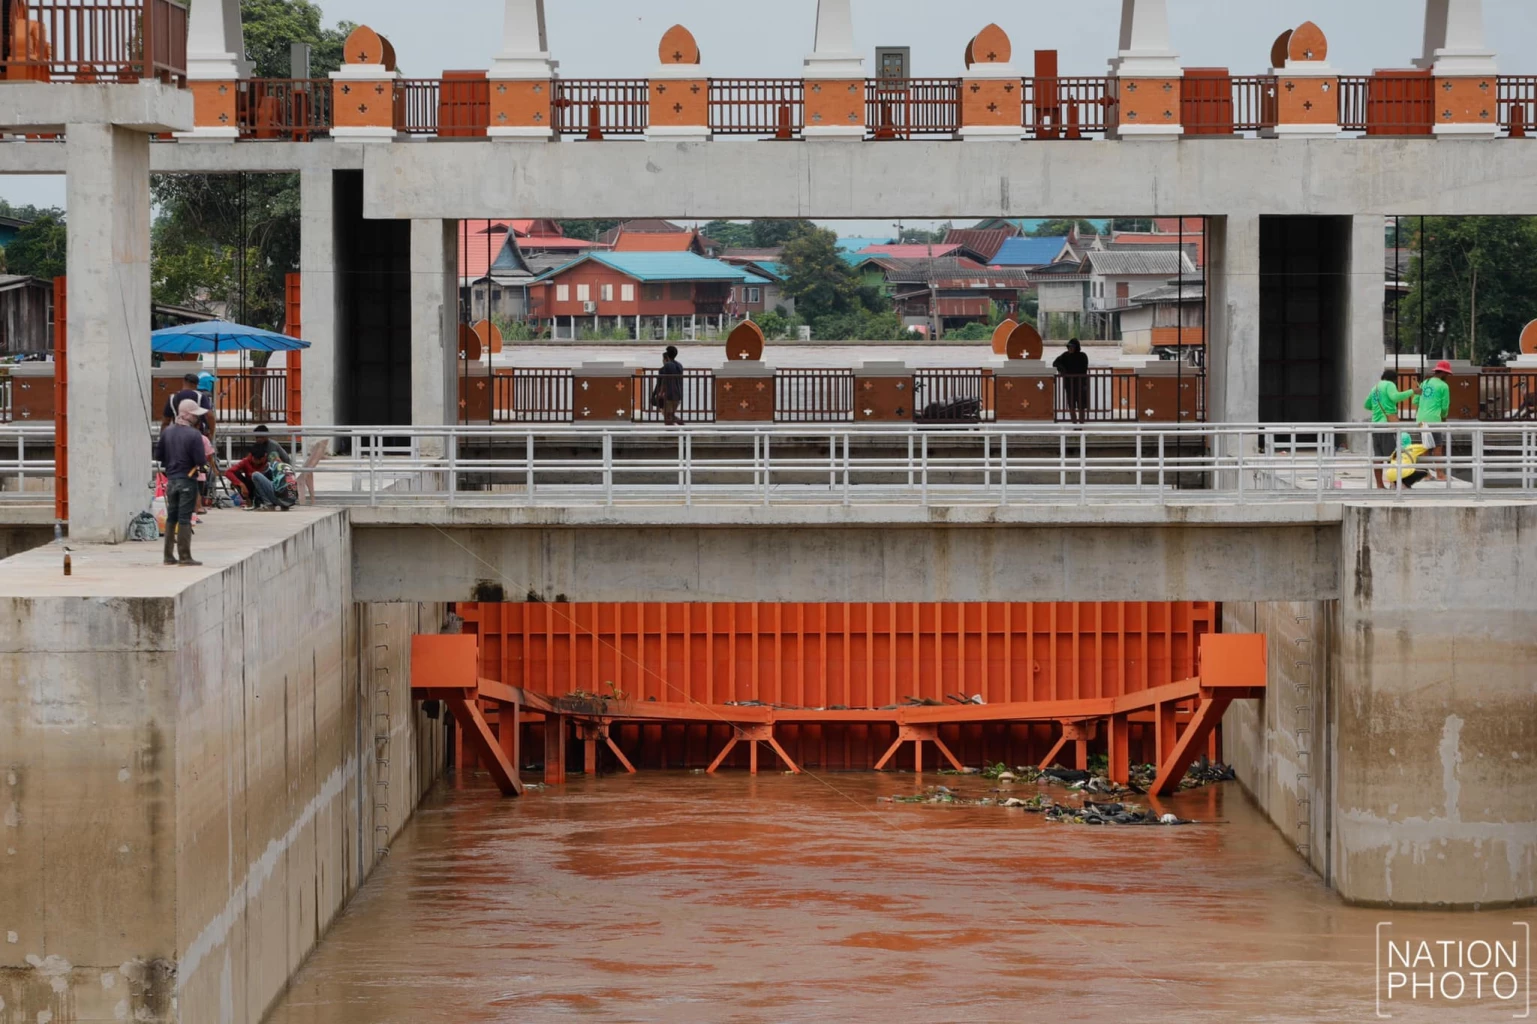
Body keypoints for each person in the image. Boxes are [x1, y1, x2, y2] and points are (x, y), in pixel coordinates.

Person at [155, 399, 206, 566]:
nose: (198, 419)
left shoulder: (167, 432)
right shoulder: (194, 435)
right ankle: (185, 556)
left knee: (172, 517)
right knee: (184, 518)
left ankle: (168, 555)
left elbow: (159, 456)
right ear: (190, 416)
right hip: (187, 479)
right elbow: (200, 460)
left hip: (171, 480)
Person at [1363, 370, 1420, 488]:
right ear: (1394, 379)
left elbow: (1367, 405)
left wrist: (1379, 408)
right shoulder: (1389, 385)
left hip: (1375, 425)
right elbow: (1395, 397)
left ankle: (1380, 484)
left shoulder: (1375, 388)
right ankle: (1394, 483)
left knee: (1378, 457)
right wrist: (1412, 391)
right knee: (1393, 455)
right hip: (1388, 425)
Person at [1414, 360, 1454, 482]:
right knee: (1437, 447)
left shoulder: (1424, 383)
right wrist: (1444, 418)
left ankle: (1426, 474)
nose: (1447, 376)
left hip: (1421, 418)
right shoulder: (1443, 386)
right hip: (1434, 420)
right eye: (1447, 374)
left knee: (1425, 447)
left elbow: (1415, 401)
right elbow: (1445, 406)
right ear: (1443, 373)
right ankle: (1440, 474)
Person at [225, 444, 282, 510]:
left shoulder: (269, 460)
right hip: (251, 488)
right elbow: (228, 472)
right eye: (254, 459)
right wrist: (241, 484)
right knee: (236, 473)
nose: (255, 461)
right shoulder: (246, 461)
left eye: (258, 460)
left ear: (264, 457)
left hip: (267, 488)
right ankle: (248, 500)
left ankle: (269, 501)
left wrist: (278, 463)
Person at [1053, 339, 1090, 425]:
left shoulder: (1082, 356)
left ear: (1076, 347)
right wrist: (1062, 369)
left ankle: (1081, 424)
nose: (1070, 348)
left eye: (1072, 347)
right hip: (1069, 385)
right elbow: (1055, 363)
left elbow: (1083, 369)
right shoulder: (1065, 356)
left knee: (1081, 406)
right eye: (1069, 347)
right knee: (1071, 405)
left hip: (1081, 385)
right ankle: (1074, 423)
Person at [657, 345, 685, 426]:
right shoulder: (679, 365)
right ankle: (682, 427)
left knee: (668, 416)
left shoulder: (668, 365)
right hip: (678, 393)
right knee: (670, 415)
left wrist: (661, 392)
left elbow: (665, 380)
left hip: (670, 394)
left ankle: (674, 431)